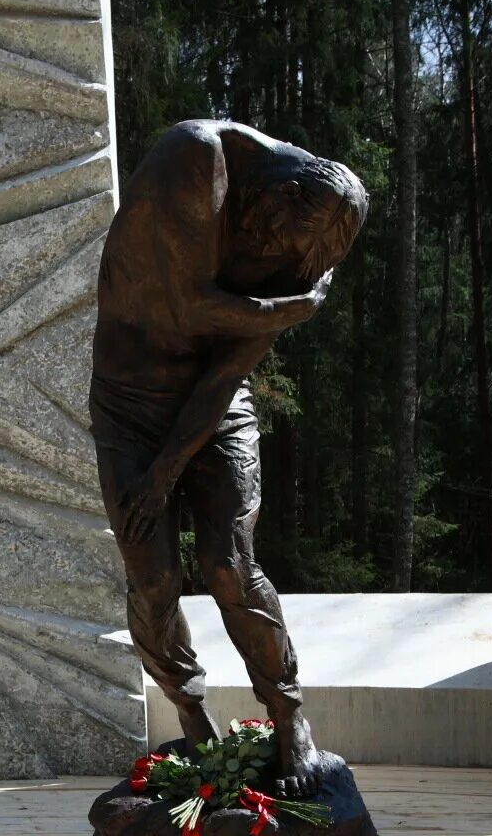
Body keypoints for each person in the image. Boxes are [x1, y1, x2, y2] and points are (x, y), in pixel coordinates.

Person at [90, 118, 366, 798]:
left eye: (289, 257)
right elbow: (187, 306)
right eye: (275, 236)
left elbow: (224, 368)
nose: (273, 255)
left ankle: (288, 712)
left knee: (230, 563)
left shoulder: (298, 265)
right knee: (153, 578)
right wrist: (287, 312)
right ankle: (190, 710)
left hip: (214, 400)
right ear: (283, 191)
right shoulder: (197, 157)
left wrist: (170, 470)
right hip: (129, 401)